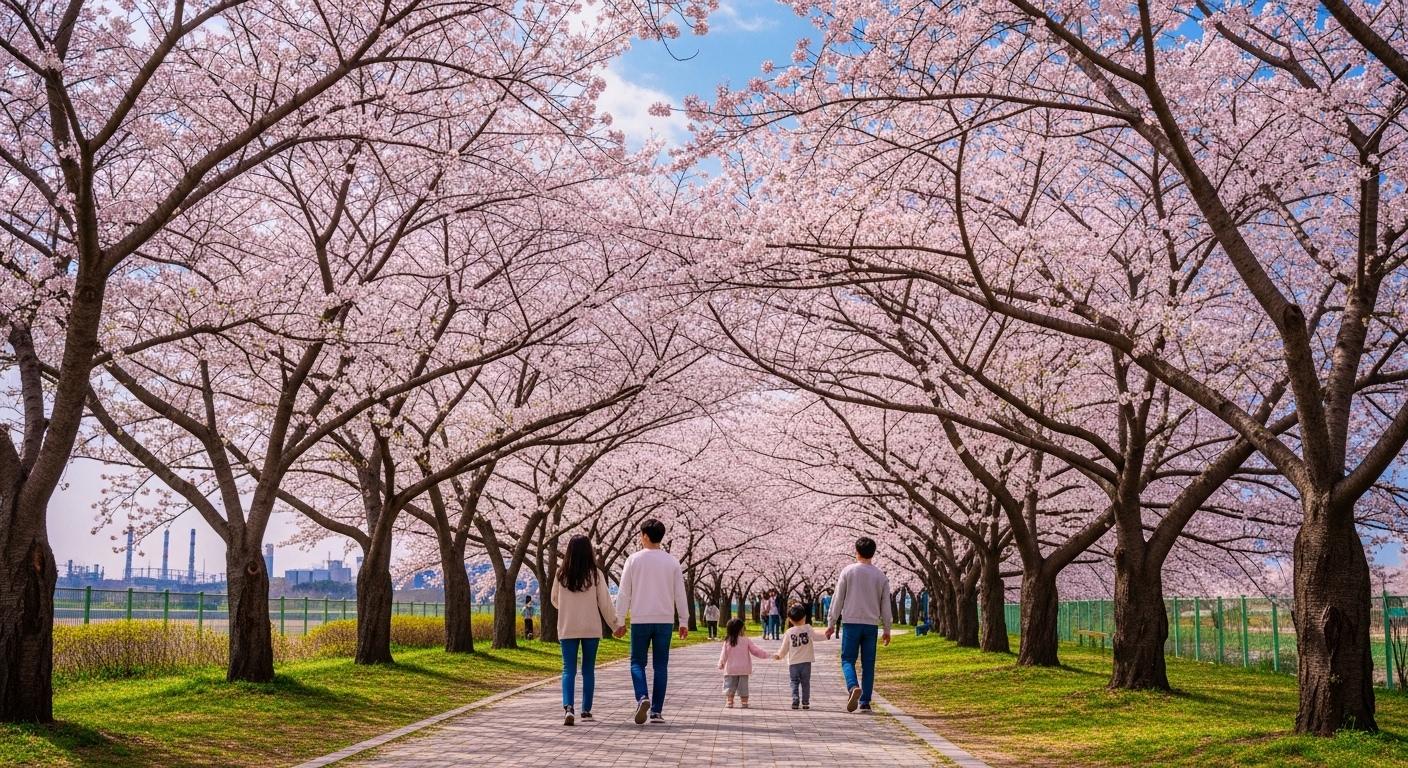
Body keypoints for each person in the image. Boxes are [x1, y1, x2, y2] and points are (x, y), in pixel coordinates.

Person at [614, 518, 689, 725]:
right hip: (664, 620)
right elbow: (680, 595)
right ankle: (656, 711)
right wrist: (683, 621)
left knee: (637, 662)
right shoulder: (672, 561)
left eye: (641, 535)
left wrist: (620, 620)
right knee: (661, 665)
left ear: (645, 536)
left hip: (640, 619)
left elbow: (623, 593)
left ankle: (642, 696)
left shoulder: (633, 560)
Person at [551, 535, 622, 726]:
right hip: (591, 628)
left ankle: (568, 708)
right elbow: (605, 604)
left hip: (568, 627)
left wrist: (568, 607)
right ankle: (586, 710)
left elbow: (554, 600)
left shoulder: (561, 574)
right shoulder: (595, 574)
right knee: (588, 670)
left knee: (568, 669)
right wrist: (615, 626)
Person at [825, 536, 892, 713]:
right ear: (873, 553)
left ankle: (853, 686)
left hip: (851, 623)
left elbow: (838, 598)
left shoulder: (848, 571)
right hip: (871, 625)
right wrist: (887, 629)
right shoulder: (881, 576)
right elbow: (886, 605)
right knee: (868, 663)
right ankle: (865, 701)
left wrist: (831, 623)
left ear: (856, 552)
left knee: (847, 659)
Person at [774, 604, 822, 710]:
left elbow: (784, 647)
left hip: (793, 663)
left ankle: (795, 701)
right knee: (805, 682)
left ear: (790, 620)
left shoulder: (789, 632)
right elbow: (817, 637)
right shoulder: (808, 628)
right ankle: (805, 702)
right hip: (806, 662)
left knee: (794, 682)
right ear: (804, 617)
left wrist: (779, 655)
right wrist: (827, 635)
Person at [718, 618, 769, 708]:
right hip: (743, 669)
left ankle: (730, 702)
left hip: (731, 669)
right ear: (740, 629)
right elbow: (755, 651)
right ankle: (744, 702)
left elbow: (724, 654)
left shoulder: (728, 641)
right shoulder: (746, 640)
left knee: (729, 686)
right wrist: (766, 655)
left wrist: (721, 663)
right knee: (743, 687)